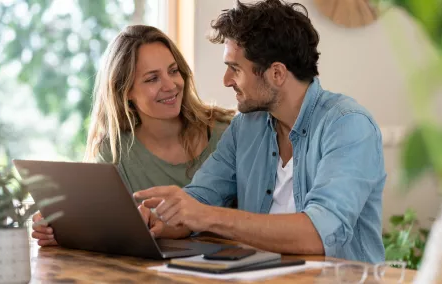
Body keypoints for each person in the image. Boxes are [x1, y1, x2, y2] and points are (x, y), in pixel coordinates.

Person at [133, 0, 386, 264]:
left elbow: (319, 234)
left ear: (276, 73)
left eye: (235, 68)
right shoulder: (246, 126)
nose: (226, 80)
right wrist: (161, 219)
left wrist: (206, 215)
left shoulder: (348, 126)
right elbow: (200, 197)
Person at [31, 25, 235, 247]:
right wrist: (61, 228)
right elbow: (96, 222)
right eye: (152, 79)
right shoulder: (114, 151)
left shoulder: (227, 133)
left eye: (173, 71)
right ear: (126, 90)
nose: (170, 85)